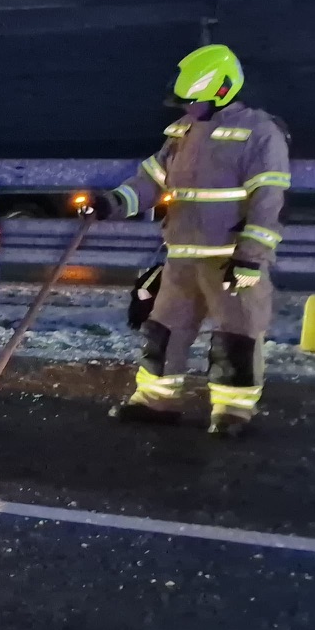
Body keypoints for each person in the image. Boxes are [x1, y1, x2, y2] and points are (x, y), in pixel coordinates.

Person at [90, 43, 290, 438]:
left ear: (221, 90)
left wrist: (251, 257)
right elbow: (150, 181)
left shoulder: (259, 132)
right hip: (181, 257)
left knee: (236, 336)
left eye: (194, 102)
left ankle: (232, 413)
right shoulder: (182, 134)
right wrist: (112, 202)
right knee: (164, 332)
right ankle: (156, 402)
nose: (188, 109)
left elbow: (268, 200)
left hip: (231, 260)